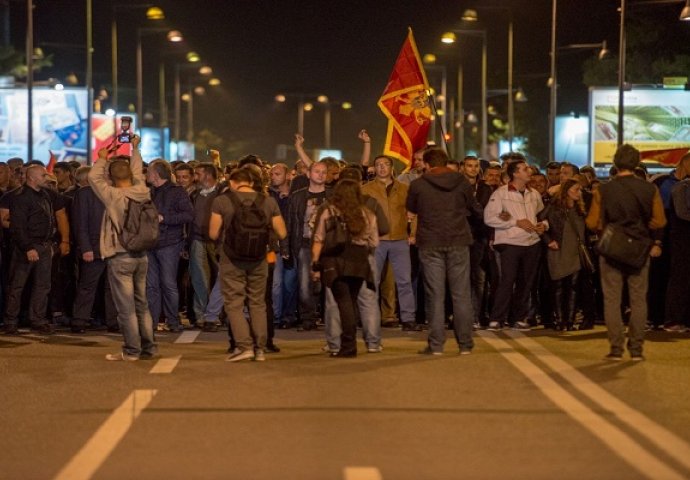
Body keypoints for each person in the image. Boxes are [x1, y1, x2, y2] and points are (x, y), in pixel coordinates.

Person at [586, 144, 666, 361]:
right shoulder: (649, 189)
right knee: (639, 299)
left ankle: (615, 348)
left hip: (612, 249)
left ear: (615, 162)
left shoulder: (603, 189)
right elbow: (659, 220)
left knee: (612, 299)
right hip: (639, 249)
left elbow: (593, 222)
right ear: (637, 162)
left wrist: (610, 226)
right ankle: (637, 348)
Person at [406, 148, 482, 355]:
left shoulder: (418, 184)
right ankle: (465, 344)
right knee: (461, 294)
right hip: (458, 240)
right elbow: (474, 207)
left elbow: (411, 208)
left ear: (428, 164)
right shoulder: (461, 182)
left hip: (430, 242)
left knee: (435, 295)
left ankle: (436, 344)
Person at [89, 135, 158, 361]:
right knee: (142, 304)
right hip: (141, 255)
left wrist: (101, 158)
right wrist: (135, 148)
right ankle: (148, 348)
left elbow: (93, 177)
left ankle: (131, 351)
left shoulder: (112, 195)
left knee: (125, 308)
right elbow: (138, 171)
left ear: (110, 176)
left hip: (120, 255)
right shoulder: (142, 190)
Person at [209, 168, 287, 362]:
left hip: (231, 258)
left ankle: (244, 346)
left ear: (232, 182)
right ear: (251, 183)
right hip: (259, 258)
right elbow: (282, 232)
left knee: (234, 303)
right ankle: (260, 348)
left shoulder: (222, 201)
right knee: (257, 302)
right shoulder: (268, 201)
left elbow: (212, 233)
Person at [311, 179, 379, 357]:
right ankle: (352, 344)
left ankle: (347, 346)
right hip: (359, 260)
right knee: (352, 301)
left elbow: (319, 238)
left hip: (336, 260)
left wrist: (315, 263)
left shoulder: (330, 211)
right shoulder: (367, 213)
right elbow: (374, 242)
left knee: (343, 303)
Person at [3, 165, 69, 335]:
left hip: (44, 246)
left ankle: (38, 319)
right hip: (28, 247)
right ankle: (11, 321)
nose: (46, 177)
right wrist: (28, 247)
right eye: (43, 175)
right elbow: (18, 226)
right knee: (17, 286)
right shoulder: (21, 197)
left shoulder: (45, 195)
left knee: (43, 285)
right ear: (31, 178)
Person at [484, 160, 547, 331]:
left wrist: (543, 225)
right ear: (515, 173)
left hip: (532, 242)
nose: (529, 171)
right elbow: (489, 217)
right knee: (507, 280)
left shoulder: (533, 193)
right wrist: (515, 222)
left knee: (525, 282)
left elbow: (540, 214)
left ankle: (519, 318)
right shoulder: (501, 193)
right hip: (510, 243)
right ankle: (496, 318)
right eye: (525, 169)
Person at [361, 155, 418, 332]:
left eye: (386, 164)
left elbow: (414, 212)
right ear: (374, 169)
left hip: (400, 239)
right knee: (373, 281)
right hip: (376, 240)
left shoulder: (404, 189)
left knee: (404, 281)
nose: (382, 167)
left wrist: (413, 233)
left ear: (392, 168)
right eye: (378, 165)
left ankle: (408, 318)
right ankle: (370, 317)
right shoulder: (366, 189)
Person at [145, 160, 194, 332]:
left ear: (157, 174)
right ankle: (151, 323)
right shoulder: (149, 192)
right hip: (150, 243)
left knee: (168, 283)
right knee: (151, 286)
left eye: (149, 172)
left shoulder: (177, 192)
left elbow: (188, 215)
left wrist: (164, 218)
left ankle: (173, 321)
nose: (146, 175)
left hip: (169, 243)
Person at [71, 166, 118, 333]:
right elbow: (80, 224)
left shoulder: (117, 193)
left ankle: (113, 321)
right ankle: (79, 320)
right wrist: (86, 248)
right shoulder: (85, 194)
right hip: (93, 248)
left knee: (113, 287)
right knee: (87, 286)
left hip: (114, 249)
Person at [286, 161, 330, 330]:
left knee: (329, 284)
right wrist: (286, 247)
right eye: (317, 171)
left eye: (324, 172)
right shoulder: (297, 196)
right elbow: (290, 223)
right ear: (309, 174)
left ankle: (330, 318)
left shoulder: (332, 195)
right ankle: (308, 319)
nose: (320, 175)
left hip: (329, 245)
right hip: (304, 244)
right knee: (305, 285)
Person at [538, 179, 587, 331]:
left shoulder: (580, 209)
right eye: (576, 189)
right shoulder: (554, 207)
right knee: (558, 286)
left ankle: (570, 321)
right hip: (558, 250)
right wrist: (548, 241)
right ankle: (560, 320)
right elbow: (540, 224)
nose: (579, 193)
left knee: (573, 287)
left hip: (575, 251)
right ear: (567, 191)